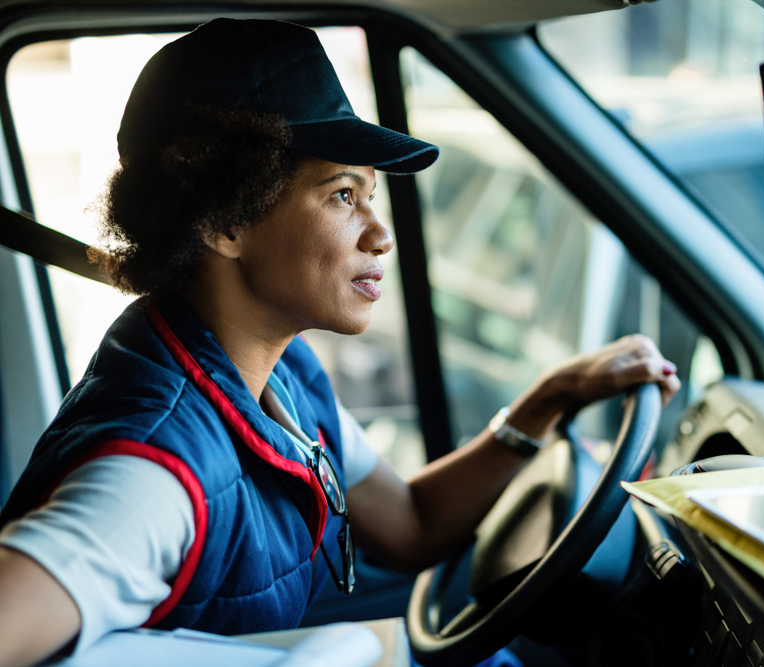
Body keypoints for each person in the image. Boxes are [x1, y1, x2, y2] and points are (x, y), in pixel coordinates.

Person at [0, 18, 681, 667]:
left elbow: (410, 522)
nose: (379, 234)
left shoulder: (279, 373)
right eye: (342, 194)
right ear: (223, 222)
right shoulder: (155, 476)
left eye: (371, 195)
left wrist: (549, 399)